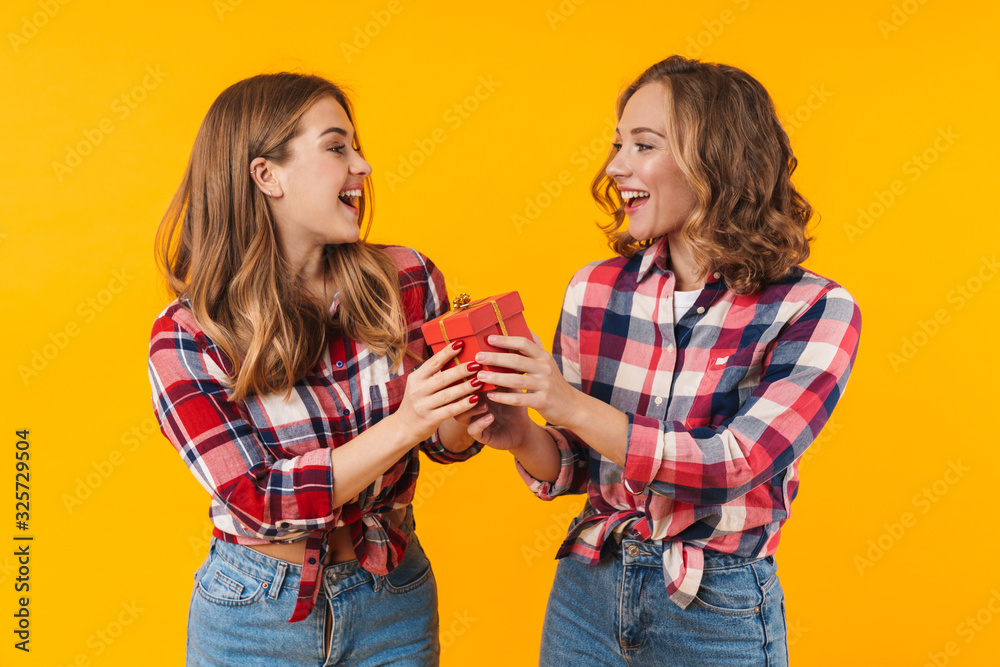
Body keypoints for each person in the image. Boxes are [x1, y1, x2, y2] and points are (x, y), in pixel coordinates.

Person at [467, 55, 862, 665]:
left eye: (643, 145)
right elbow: (578, 462)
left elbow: (734, 464)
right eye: (617, 144)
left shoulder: (814, 308)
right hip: (586, 593)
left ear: (718, 160)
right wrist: (521, 434)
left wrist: (568, 402)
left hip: (714, 607)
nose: (616, 166)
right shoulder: (595, 289)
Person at [147, 72, 486, 666]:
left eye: (356, 146)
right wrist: (407, 422)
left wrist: (472, 405)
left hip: (394, 594)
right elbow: (258, 500)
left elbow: (446, 444)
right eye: (336, 147)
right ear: (266, 175)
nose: (362, 166)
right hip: (256, 612)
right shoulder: (188, 334)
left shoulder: (406, 278)